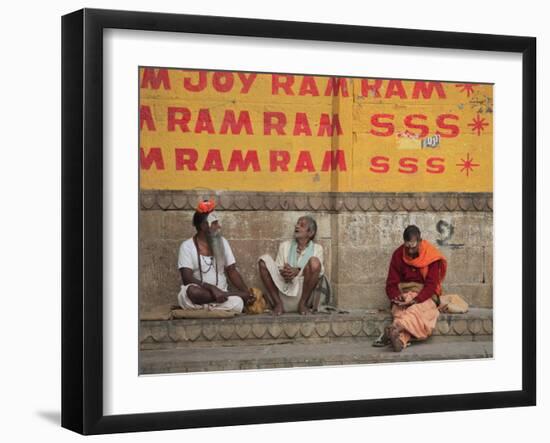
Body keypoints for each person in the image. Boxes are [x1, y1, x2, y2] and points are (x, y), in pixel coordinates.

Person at [177, 199, 253, 313]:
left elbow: (231, 271)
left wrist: (247, 293)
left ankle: (209, 305)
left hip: (220, 299)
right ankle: (221, 299)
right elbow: (187, 279)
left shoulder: (222, 242)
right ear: (203, 226)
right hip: (200, 294)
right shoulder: (187, 246)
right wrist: (212, 288)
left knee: (238, 303)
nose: (219, 226)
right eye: (215, 223)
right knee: (191, 292)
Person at [380, 225, 447, 351]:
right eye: (407, 247)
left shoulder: (431, 255)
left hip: (425, 295)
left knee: (415, 310)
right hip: (405, 295)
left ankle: (396, 328)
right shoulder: (398, 254)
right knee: (400, 311)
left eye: (413, 246)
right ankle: (399, 341)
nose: (410, 251)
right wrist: (397, 297)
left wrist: (416, 300)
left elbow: (431, 285)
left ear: (420, 241)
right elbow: (391, 284)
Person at [258, 216, 324, 316]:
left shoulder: (317, 248)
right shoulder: (285, 246)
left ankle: (302, 305)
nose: (297, 226)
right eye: (297, 224)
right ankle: (278, 304)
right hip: (284, 291)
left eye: (302, 225)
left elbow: (320, 271)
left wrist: (298, 271)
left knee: (314, 262)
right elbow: (278, 267)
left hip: (302, 293)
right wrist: (284, 272)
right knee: (263, 260)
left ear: (310, 233)